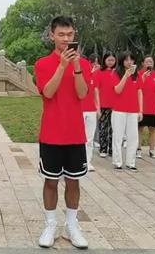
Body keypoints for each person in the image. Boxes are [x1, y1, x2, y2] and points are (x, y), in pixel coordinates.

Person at [35, 16, 90, 249]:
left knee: (74, 181)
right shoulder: (42, 64)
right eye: (61, 34)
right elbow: (48, 92)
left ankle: (71, 225)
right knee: (50, 181)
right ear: (52, 36)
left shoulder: (84, 64)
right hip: (51, 132)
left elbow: (82, 94)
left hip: (75, 133)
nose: (66, 39)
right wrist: (62, 66)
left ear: (74, 35)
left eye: (69, 35)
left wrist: (76, 67)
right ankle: (50, 225)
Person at [111, 51, 143, 171]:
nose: (129, 62)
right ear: (122, 61)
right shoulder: (115, 73)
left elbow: (139, 92)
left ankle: (131, 162)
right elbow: (117, 90)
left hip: (133, 110)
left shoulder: (137, 75)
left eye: (131, 60)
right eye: (126, 60)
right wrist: (126, 75)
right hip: (119, 109)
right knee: (118, 136)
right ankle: (117, 161)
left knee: (133, 136)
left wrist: (141, 110)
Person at [81, 53, 100, 172]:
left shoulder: (94, 76)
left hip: (91, 110)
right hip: (80, 110)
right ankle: (78, 161)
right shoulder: (79, 76)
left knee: (90, 138)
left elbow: (96, 92)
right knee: (79, 137)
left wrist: (98, 108)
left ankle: (87, 161)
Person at [138, 56, 155, 159]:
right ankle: (138, 149)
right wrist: (143, 78)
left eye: (151, 61)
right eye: (147, 61)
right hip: (142, 107)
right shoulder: (139, 74)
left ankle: (152, 150)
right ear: (143, 63)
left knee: (153, 129)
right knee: (140, 129)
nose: (149, 63)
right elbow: (137, 89)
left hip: (154, 107)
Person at [96, 52, 117, 157]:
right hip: (103, 104)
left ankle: (112, 149)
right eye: (109, 60)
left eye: (112, 60)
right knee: (103, 127)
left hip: (115, 105)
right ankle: (103, 148)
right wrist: (97, 106)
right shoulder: (100, 72)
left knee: (114, 128)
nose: (110, 62)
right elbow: (96, 89)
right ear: (104, 60)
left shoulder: (117, 73)